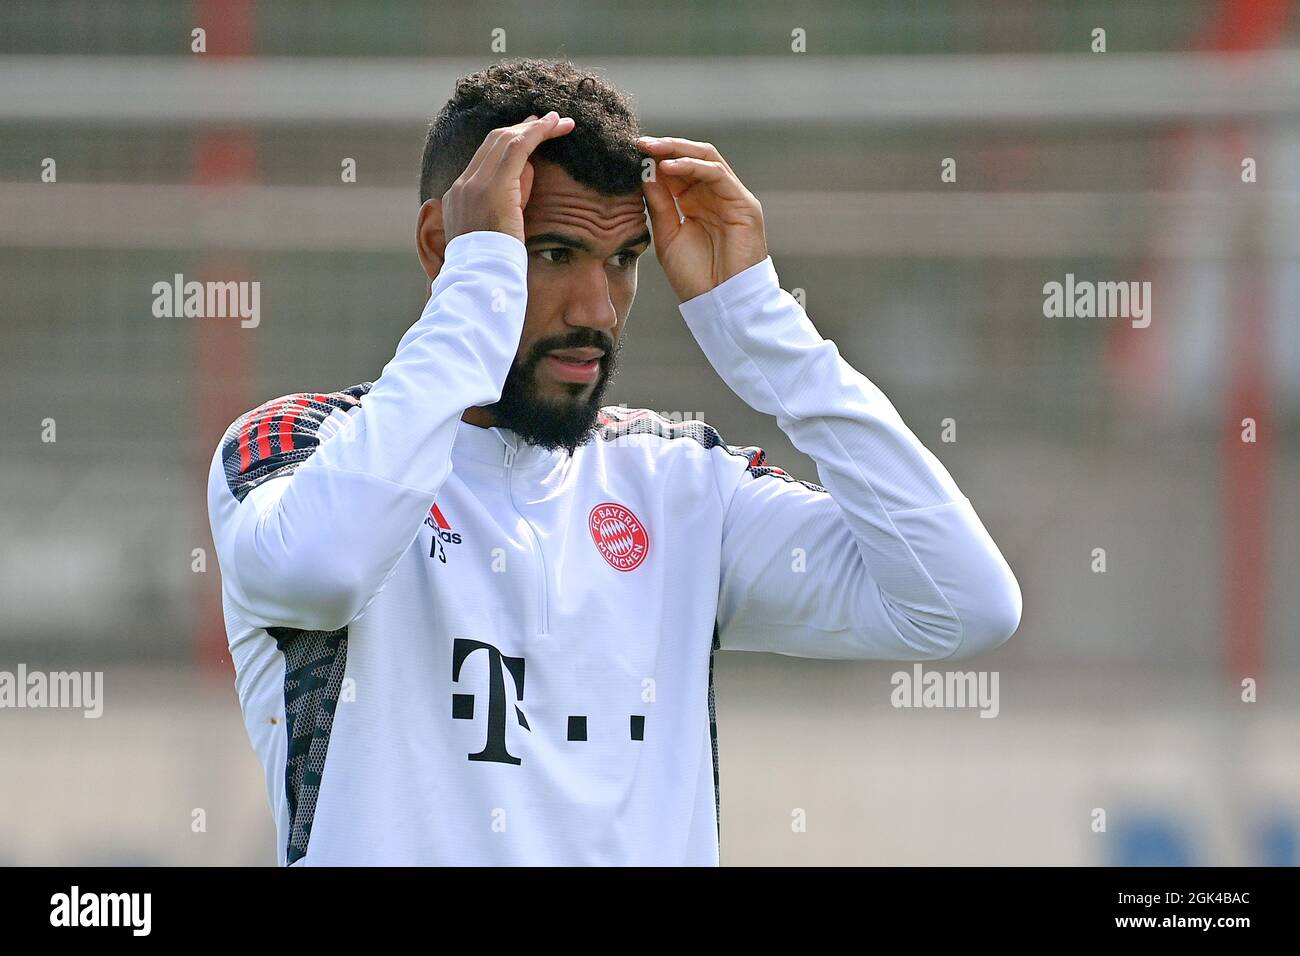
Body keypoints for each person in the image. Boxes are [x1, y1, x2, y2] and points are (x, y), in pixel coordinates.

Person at [206, 59, 1021, 866]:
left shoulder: (680, 483)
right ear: (443, 246)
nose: (596, 311)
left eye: (624, 260)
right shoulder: (298, 447)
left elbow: (960, 603)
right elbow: (322, 570)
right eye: (553, 254)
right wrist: (476, 287)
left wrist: (762, 326)